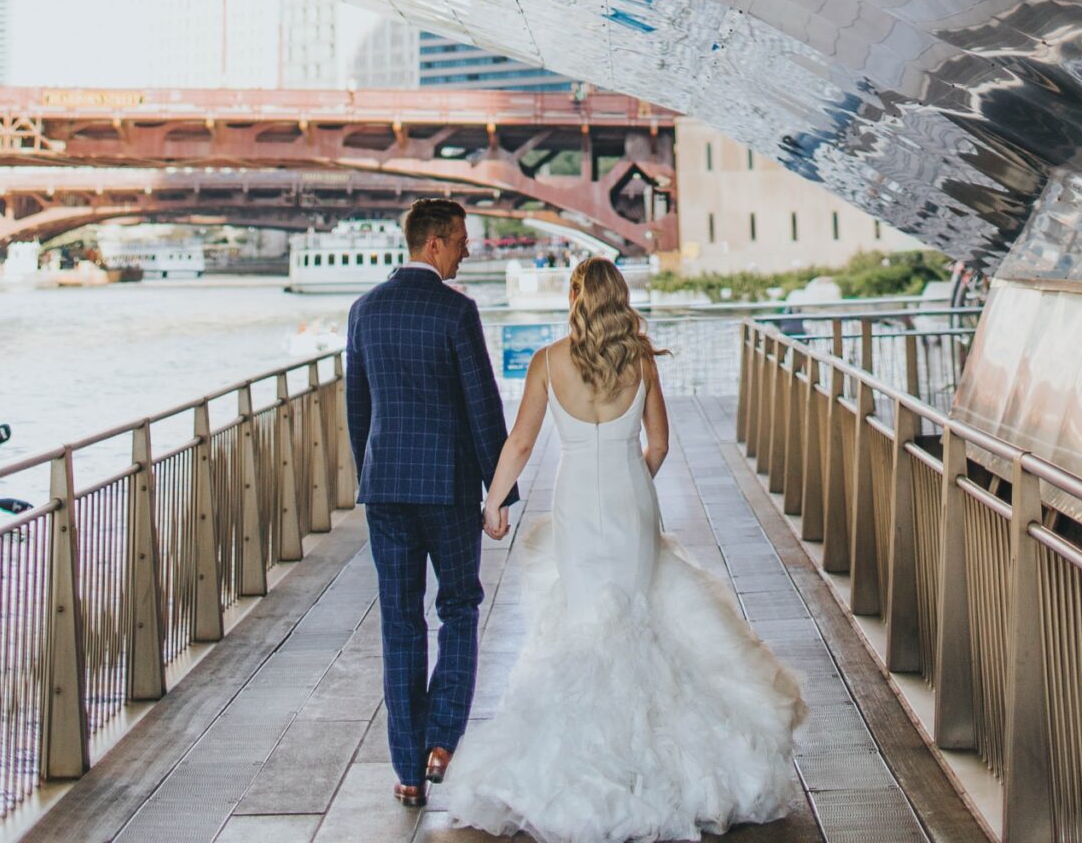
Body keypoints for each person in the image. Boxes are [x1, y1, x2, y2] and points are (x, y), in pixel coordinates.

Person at [440, 259, 805, 842]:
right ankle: (658, 757)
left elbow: (523, 440)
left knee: (587, 618)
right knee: (637, 613)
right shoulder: (639, 360)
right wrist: (633, 481)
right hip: (630, 496)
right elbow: (657, 444)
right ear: (620, 298)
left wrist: (495, 500)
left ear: (576, 296)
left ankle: (588, 755)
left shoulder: (548, 362)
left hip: (577, 499)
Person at [345, 198, 512, 807]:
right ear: (435, 244)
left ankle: (408, 771)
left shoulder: (364, 311)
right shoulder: (455, 312)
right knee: (460, 606)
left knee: (399, 621)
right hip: (447, 487)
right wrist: (499, 492)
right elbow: (481, 405)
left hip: (385, 487)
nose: (469, 249)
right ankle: (444, 738)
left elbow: (357, 409)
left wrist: (371, 473)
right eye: (462, 239)